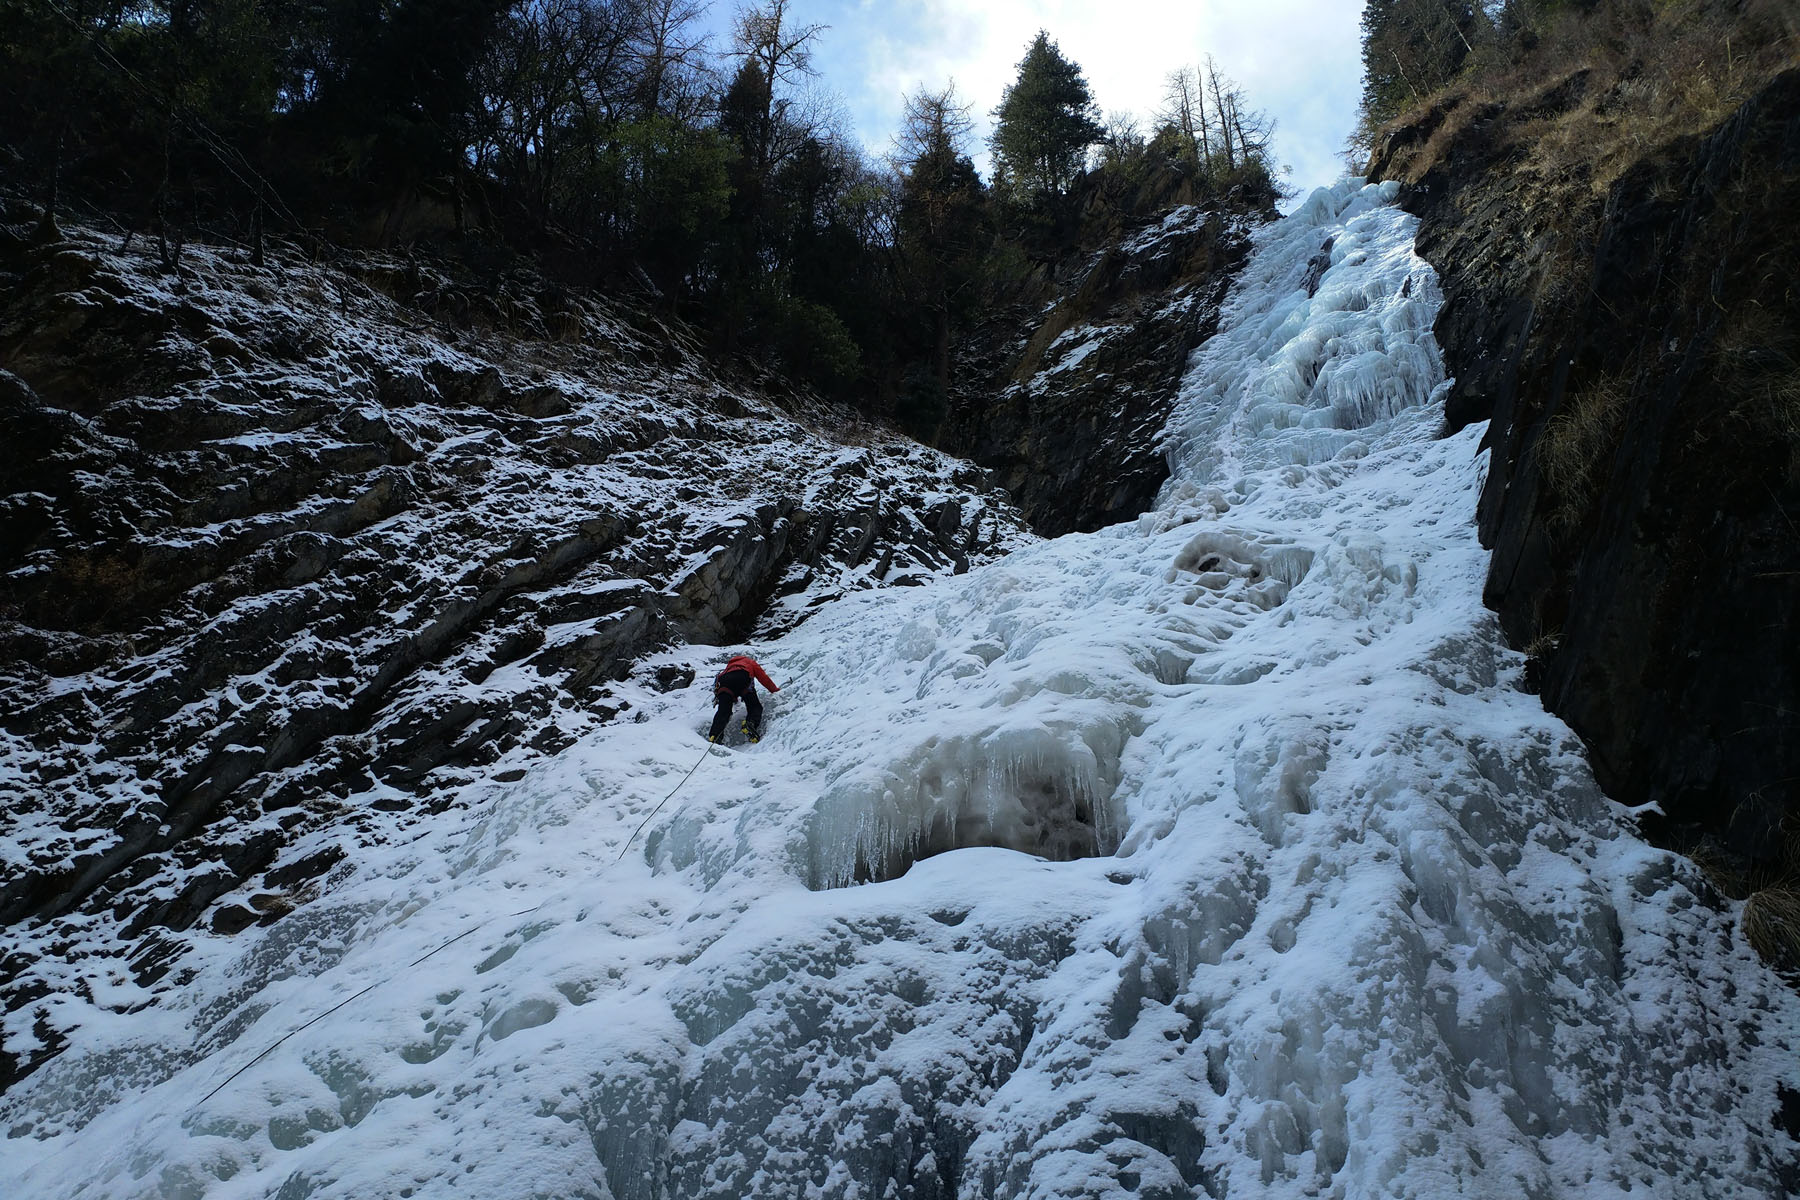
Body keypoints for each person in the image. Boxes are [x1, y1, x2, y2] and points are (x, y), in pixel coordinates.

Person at [708, 653, 780, 743]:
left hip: (723, 681)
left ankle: (714, 735)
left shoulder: (728, 668)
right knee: (754, 706)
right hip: (742, 677)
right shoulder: (749, 662)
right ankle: (750, 723)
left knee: (723, 711)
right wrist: (774, 690)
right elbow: (763, 678)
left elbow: (730, 689)